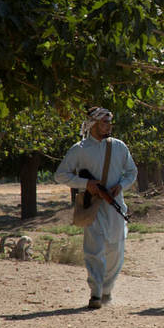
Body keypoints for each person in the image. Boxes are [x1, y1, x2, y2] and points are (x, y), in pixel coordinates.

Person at [54, 106, 137, 309]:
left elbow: (131, 172)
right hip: (92, 205)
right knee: (94, 249)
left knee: (115, 249)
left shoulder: (119, 147)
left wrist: (121, 186)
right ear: (93, 124)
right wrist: (86, 184)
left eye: (109, 122)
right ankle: (96, 292)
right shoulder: (79, 149)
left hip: (115, 205)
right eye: (104, 122)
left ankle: (107, 289)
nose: (109, 126)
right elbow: (61, 175)